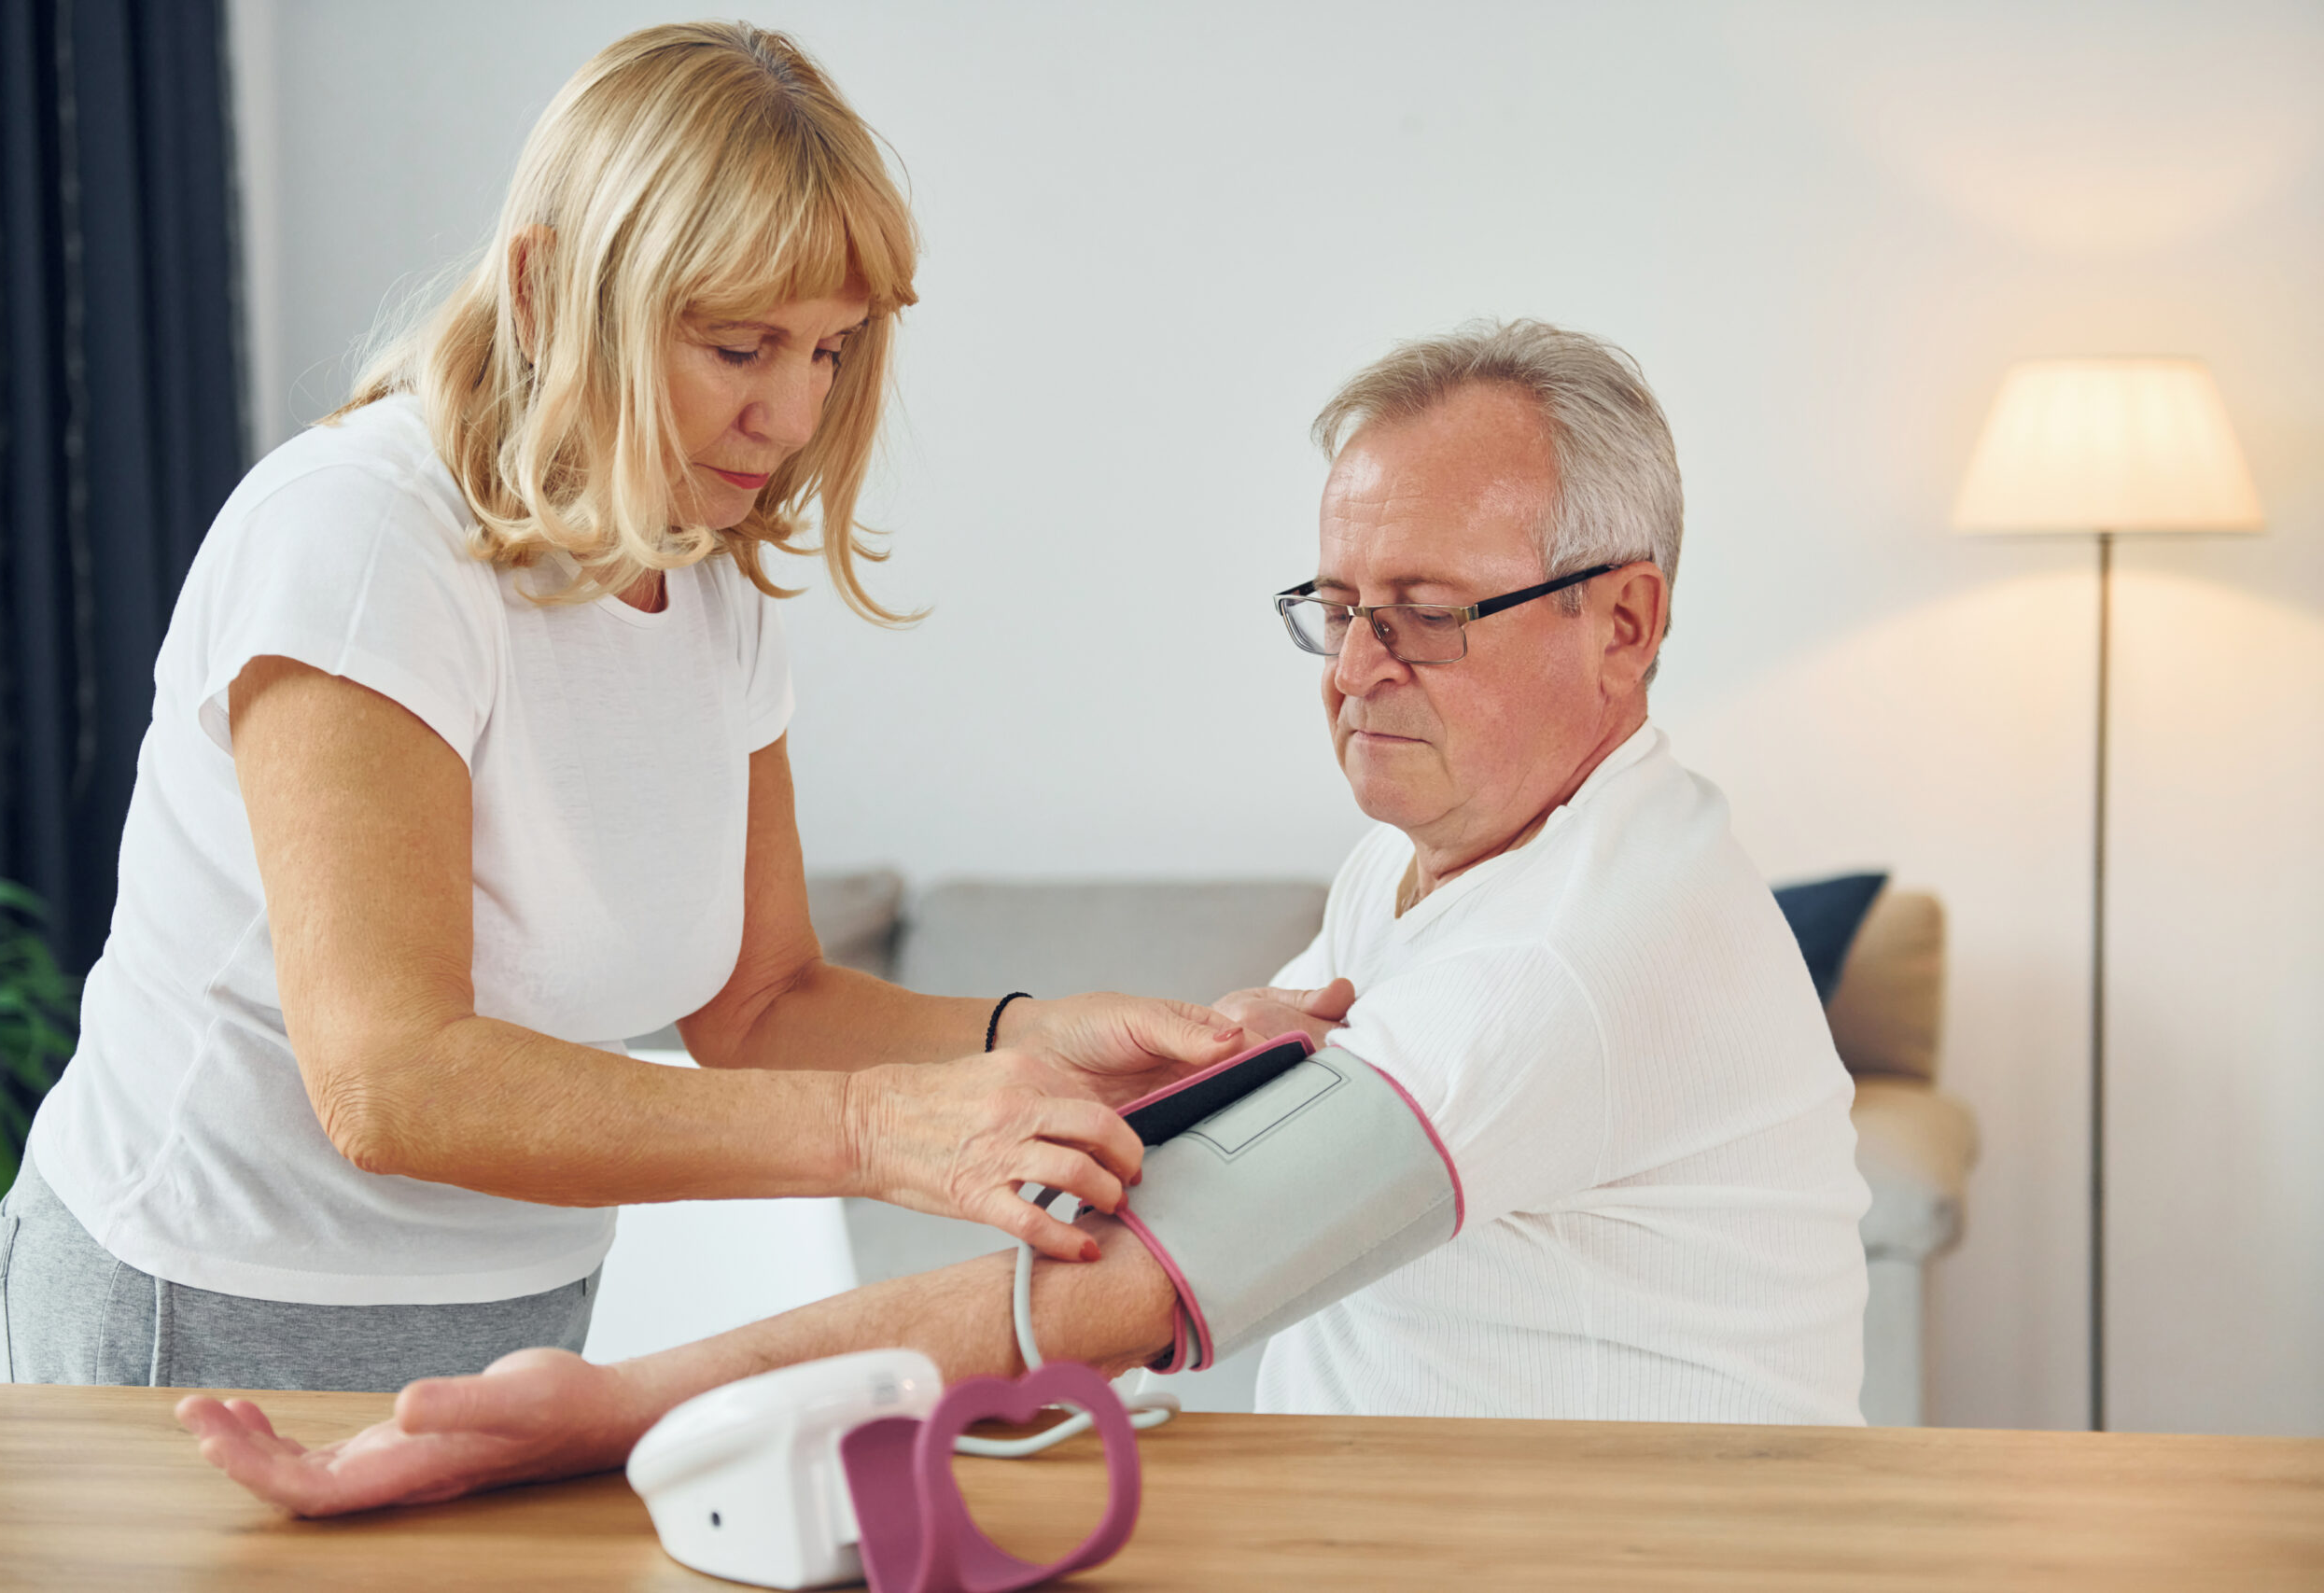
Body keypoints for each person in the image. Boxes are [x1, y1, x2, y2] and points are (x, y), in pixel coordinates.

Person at [179, 320, 1870, 1515]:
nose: (1356, 674)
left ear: (1626, 622)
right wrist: (1095, 1062)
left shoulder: (1568, 952)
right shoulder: (1447, 855)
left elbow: (1120, 1284)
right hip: (1419, 1523)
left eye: (1423, 617)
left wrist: (622, 1400)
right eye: (1335, 609)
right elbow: (1229, 1125)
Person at [0, 22, 1245, 1395]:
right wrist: (880, 1129)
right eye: (740, 345)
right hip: (199, 1303)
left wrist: (1034, 1038)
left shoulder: (707, 566)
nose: (791, 413)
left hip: (518, 1309)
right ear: (544, 287)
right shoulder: (359, 539)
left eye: (829, 351)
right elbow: (390, 1082)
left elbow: (761, 1004)